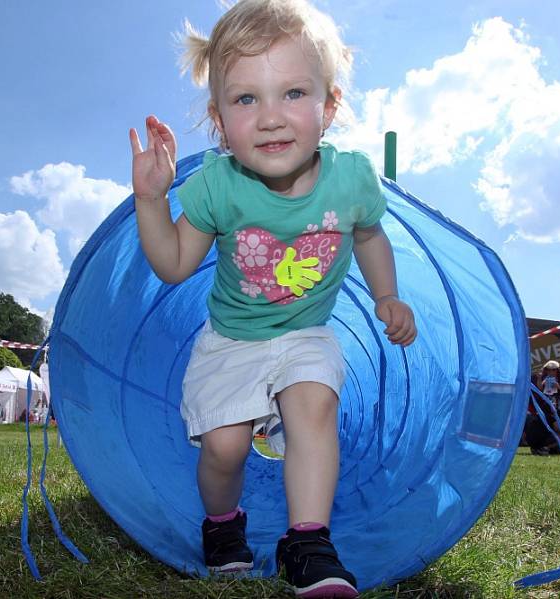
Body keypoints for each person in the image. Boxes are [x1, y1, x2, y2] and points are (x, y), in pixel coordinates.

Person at [129, 1, 417, 596]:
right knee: (225, 448)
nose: (270, 118)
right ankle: (222, 524)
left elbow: (369, 233)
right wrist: (153, 201)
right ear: (218, 121)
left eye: (292, 93)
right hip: (230, 338)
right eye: (245, 99)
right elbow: (175, 264)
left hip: (307, 330)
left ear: (328, 105)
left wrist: (386, 294)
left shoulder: (353, 179)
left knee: (313, 406)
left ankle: (309, 541)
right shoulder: (216, 184)